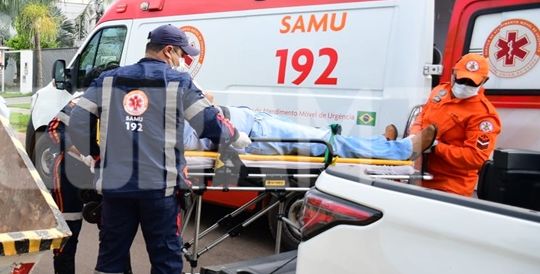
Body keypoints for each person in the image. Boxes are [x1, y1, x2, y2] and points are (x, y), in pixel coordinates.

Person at [67, 24, 243, 274]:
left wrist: (96, 153)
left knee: (109, 260)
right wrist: (234, 137)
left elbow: (77, 120)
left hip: (117, 189)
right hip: (159, 191)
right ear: (168, 51)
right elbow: (209, 126)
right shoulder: (178, 83)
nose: (183, 62)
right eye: (181, 55)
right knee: (164, 261)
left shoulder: (107, 80)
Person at [47, 65, 148, 274]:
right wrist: (85, 154)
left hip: (107, 174)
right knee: (69, 230)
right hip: (71, 173)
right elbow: (55, 130)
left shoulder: (127, 105)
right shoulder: (82, 102)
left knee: (116, 228)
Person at [184, 106, 437, 161]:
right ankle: (403, 150)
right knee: (324, 142)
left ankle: (379, 143)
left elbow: (208, 101)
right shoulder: (171, 129)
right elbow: (209, 119)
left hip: (254, 121)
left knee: (321, 135)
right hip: (253, 133)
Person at [409, 53, 501, 196]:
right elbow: (423, 114)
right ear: (453, 73)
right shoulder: (440, 91)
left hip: (450, 185)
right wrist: (414, 134)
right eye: (461, 79)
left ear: (484, 81)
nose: (464, 85)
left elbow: (475, 158)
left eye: (471, 82)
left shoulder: (484, 116)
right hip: (421, 175)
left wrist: (436, 147)